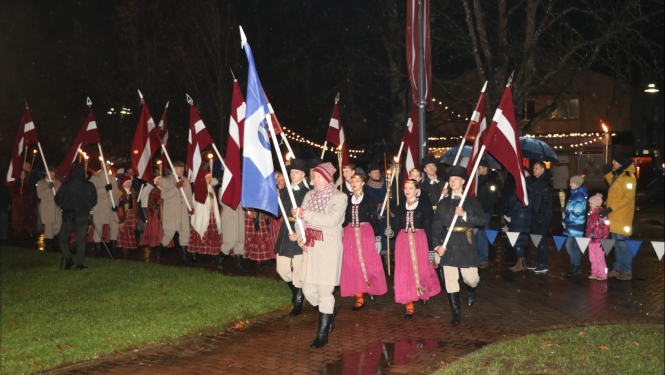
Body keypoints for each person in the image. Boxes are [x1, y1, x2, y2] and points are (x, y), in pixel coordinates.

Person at [292, 162, 347, 348]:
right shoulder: (309, 195)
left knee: (325, 292)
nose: (314, 180)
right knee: (308, 291)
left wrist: (305, 213)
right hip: (310, 249)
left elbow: (332, 219)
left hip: (328, 250)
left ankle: (322, 335)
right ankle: (330, 311)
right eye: (313, 177)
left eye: (317, 177)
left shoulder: (340, 197)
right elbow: (299, 223)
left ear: (327, 178)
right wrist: (301, 239)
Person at [433, 166, 485, 324]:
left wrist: (464, 215)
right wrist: (437, 246)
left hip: (466, 241)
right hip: (448, 243)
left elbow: (482, 221)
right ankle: (456, 313)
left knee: (472, 278)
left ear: (463, 182)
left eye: (456, 178)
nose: (453, 181)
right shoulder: (444, 203)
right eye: (450, 179)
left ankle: (471, 290)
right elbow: (435, 226)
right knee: (450, 280)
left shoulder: (471, 201)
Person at [386, 179, 440, 320]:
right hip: (403, 241)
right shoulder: (400, 206)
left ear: (417, 190)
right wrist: (391, 232)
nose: (407, 190)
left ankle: (422, 291)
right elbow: (397, 225)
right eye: (405, 187)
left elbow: (429, 228)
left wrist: (430, 249)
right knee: (404, 271)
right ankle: (409, 303)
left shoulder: (424, 206)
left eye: (411, 187)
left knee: (422, 269)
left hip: (420, 239)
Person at [340, 173, 387, 311]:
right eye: (352, 180)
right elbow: (343, 219)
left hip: (365, 232)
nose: (354, 183)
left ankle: (371, 287)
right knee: (352, 264)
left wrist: (378, 237)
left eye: (357, 181)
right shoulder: (346, 199)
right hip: (350, 234)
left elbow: (374, 219)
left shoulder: (368, 200)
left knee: (369, 262)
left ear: (363, 183)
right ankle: (359, 296)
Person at [274, 159, 309, 315]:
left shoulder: (309, 191)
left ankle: (299, 301)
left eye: (296, 172)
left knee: (298, 268)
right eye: (291, 172)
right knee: (281, 268)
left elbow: (310, 215)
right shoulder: (286, 190)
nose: (293, 175)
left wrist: (300, 233)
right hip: (286, 230)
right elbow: (279, 211)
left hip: (301, 229)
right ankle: (297, 292)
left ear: (303, 174)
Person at [55, 164, 97, 270]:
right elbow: (94, 201)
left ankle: (68, 258)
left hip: (69, 216)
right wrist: (86, 205)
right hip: (82, 216)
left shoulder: (66, 184)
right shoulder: (89, 185)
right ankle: (79, 264)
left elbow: (58, 200)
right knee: (81, 240)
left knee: (63, 239)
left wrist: (65, 203)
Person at [603, 154, 637, 281]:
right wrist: (607, 173)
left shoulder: (629, 177)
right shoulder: (619, 175)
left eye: (615, 160)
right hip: (615, 216)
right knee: (617, 244)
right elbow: (614, 183)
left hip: (622, 216)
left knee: (623, 244)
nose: (612, 162)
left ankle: (627, 271)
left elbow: (627, 198)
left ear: (621, 163)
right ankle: (618, 267)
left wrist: (611, 208)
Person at [159, 161, 194, 266]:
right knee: (169, 235)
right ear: (173, 168)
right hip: (171, 212)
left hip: (183, 212)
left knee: (185, 234)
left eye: (183, 167)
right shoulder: (166, 180)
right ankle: (159, 254)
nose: (182, 169)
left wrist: (191, 207)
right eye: (179, 167)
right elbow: (164, 196)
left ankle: (184, 258)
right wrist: (176, 187)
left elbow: (189, 196)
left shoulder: (186, 180)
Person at [188, 172, 222, 260]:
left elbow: (213, 201)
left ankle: (210, 252)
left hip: (211, 213)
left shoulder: (211, 188)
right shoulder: (198, 189)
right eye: (207, 178)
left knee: (211, 233)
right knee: (199, 230)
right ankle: (196, 251)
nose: (209, 179)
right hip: (201, 213)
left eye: (210, 178)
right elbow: (196, 203)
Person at [526, 161, 553, 274]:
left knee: (541, 240)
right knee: (537, 239)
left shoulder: (544, 183)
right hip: (535, 214)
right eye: (533, 168)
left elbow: (545, 201)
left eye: (536, 168)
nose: (534, 170)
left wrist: (541, 215)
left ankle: (543, 263)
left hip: (542, 215)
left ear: (542, 170)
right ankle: (539, 261)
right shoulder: (536, 182)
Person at [474, 160, 501, 269]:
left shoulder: (491, 181)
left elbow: (492, 198)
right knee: (475, 235)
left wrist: (483, 210)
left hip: (484, 213)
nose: (478, 169)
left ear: (485, 168)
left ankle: (484, 259)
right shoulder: (477, 180)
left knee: (482, 235)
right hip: (476, 212)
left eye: (480, 167)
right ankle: (477, 258)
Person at [504, 173, 532, 272]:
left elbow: (519, 202)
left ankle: (522, 264)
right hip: (517, 217)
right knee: (515, 240)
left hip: (521, 217)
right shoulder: (519, 185)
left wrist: (509, 213)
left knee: (519, 241)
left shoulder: (526, 186)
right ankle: (519, 262)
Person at [139, 177, 174, 255]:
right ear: (158, 182)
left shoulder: (164, 191)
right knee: (157, 228)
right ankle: (156, 242)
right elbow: (151, 202)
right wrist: (158, 203)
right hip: (156, 213)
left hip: (164, 212)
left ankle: (165, 243)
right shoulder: (154, 190)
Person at [89, 168, 120, 257]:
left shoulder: (112, 179)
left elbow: (116, 193)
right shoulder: (95, 178)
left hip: (111, 206)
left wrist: (116, 204)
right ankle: (98, 250)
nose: (107, 167)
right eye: (105, 165)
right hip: (100, 206)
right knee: (98, 227)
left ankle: (113, 248)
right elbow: (92, 191)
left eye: (108, 165)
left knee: (115, 226)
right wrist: (105, 189)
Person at [562, 175, 588, 277]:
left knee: (569, 245)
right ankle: (575, 267)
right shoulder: (574, 195)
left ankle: (575, 266)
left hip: (575, 225)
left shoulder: (579, 196)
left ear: (576, 183)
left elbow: (576, 213)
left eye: (571, 182)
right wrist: (565, 211)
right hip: (574, 225)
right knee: (575, 246)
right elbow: (572, 209)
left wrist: (566, 220)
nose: (570, 184)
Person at [36, 166, 62, 252]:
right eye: (51, 172)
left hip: (56, 208)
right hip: (47, 208)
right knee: (49, 225)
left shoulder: (58, 182)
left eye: (54, 172)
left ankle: (48, 237)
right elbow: (40, 195)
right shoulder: (41, 183)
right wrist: (49, 188)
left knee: (58, 225)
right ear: (47, 173)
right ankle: (49, 244)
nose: (53, 174)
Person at [218, 200, 247, 273]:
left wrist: (250, 210)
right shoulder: (224, 188)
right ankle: (219, 259)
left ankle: (238, 265)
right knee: (230, 241)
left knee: (240, 242)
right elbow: (222, 201)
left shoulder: (242, 188)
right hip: (229, 214)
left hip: (240, 213)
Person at [586, 193, 610, 280]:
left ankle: (602, 274)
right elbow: (588, 227)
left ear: (597, 204)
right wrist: (587, 236)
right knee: (592, 257)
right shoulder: (590, 214)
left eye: (591, 203)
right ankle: (594, 273)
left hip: (599, 240)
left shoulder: (602, 214)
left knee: (600, 258)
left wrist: (604, 240)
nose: (589, 205)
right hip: (591, 240)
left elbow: (606, 228)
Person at [9, 168, 37, 237]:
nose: (22, 175)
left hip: (28, 206)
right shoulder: (16, 184)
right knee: (18, 222)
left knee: (28, 222)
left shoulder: (29, 184)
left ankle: (30, 234)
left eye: (24, 173)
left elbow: (33, 195)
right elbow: (11, 194)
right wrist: (18, 190)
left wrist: (34, 206)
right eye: (21, 173)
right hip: (18, 206)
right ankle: (17, 235)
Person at [116, 176, 139, 255]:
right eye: (127, 183)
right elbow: (117, 201)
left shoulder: (132, 190)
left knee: (131, 228)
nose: (129, 184)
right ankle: (123, 245)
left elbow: (135, 202)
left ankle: (130, 244)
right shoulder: (119, 190)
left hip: (131, 212)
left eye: (130, 182)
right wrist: (124, 200)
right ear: (124, 183)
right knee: (123, 229)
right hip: (123, 213)